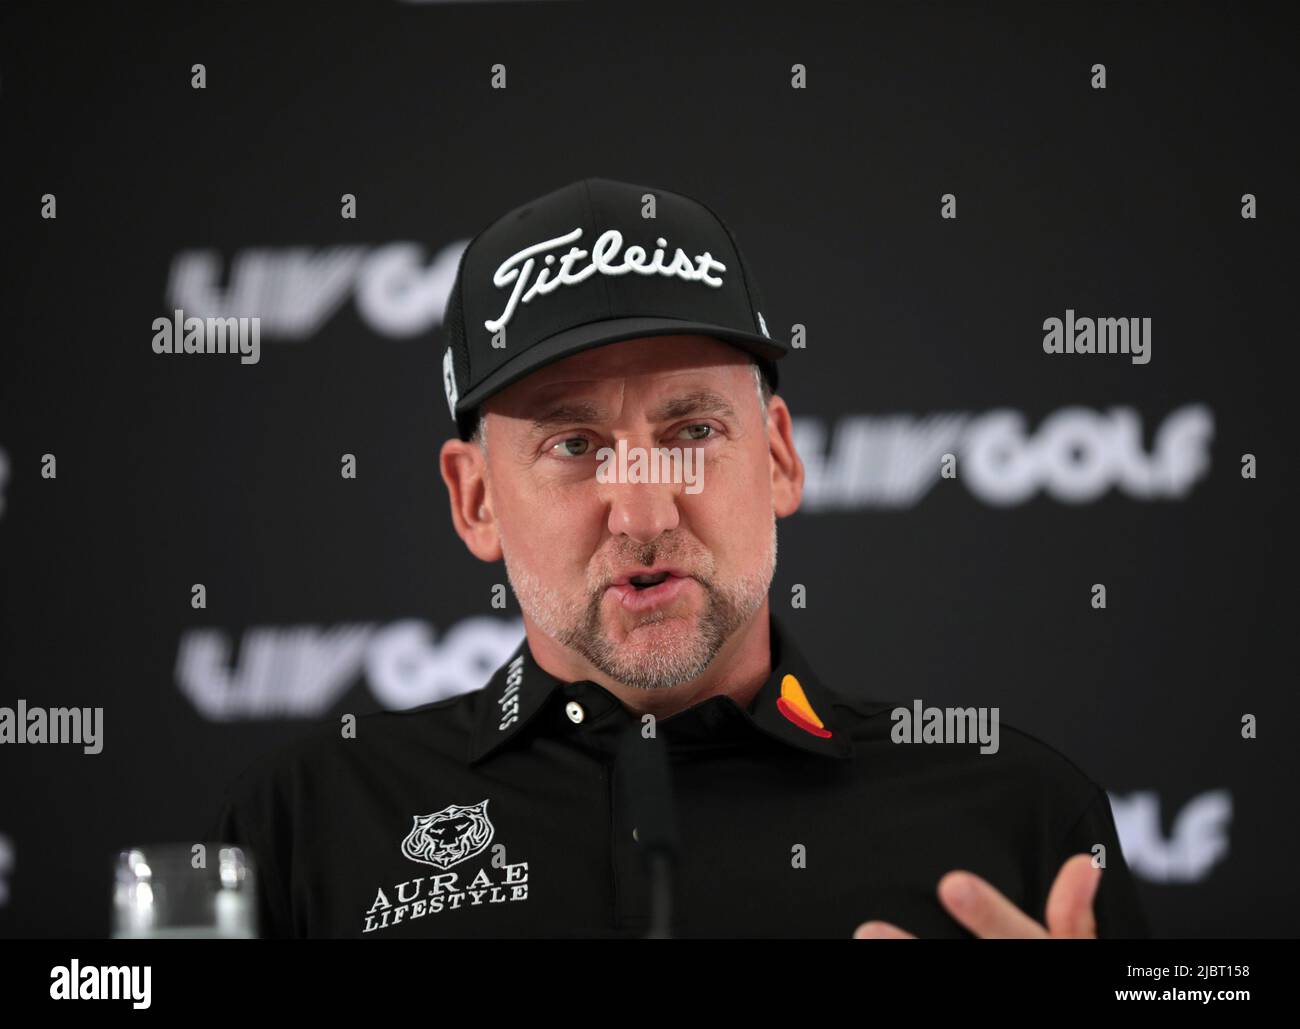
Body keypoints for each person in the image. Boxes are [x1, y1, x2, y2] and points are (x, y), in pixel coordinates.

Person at [208, 177, 1150, 939]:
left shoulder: (1018, 815)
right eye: (574, 443)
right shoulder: (305, 825)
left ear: (778, 456)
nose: (644, 508)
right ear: (477, 498)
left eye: (692, 428)